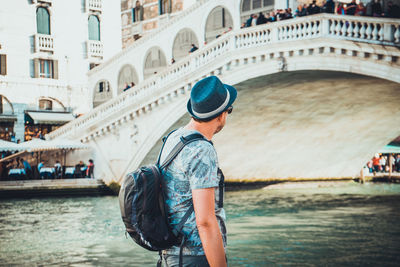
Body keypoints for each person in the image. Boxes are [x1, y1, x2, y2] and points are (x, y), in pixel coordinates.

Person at [160, 76, 236, 267]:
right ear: (221, 115)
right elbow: (205, 222)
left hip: (170, 255)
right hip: (196, 257)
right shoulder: (201, 150)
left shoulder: (174, 138)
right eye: (229, 110)